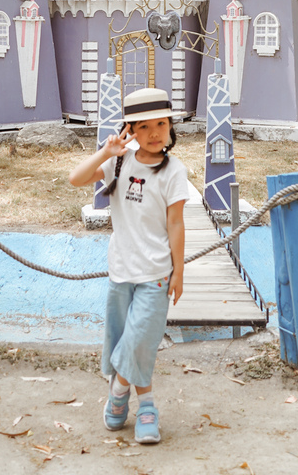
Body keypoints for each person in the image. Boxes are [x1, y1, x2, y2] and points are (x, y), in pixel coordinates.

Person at [69, 87, 188, 444]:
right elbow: (76, 179)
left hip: (156, 273)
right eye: (145, 126)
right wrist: (106, 151)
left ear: (170, 128)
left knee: (140, 340)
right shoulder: (119, 162)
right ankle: (146, 404)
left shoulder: (174, 171)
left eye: (162, 124)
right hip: (120, 271)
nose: (155, 133)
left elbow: (176, 224)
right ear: (130, 130)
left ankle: (121, 393)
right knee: (125, 339)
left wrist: (179, 270)